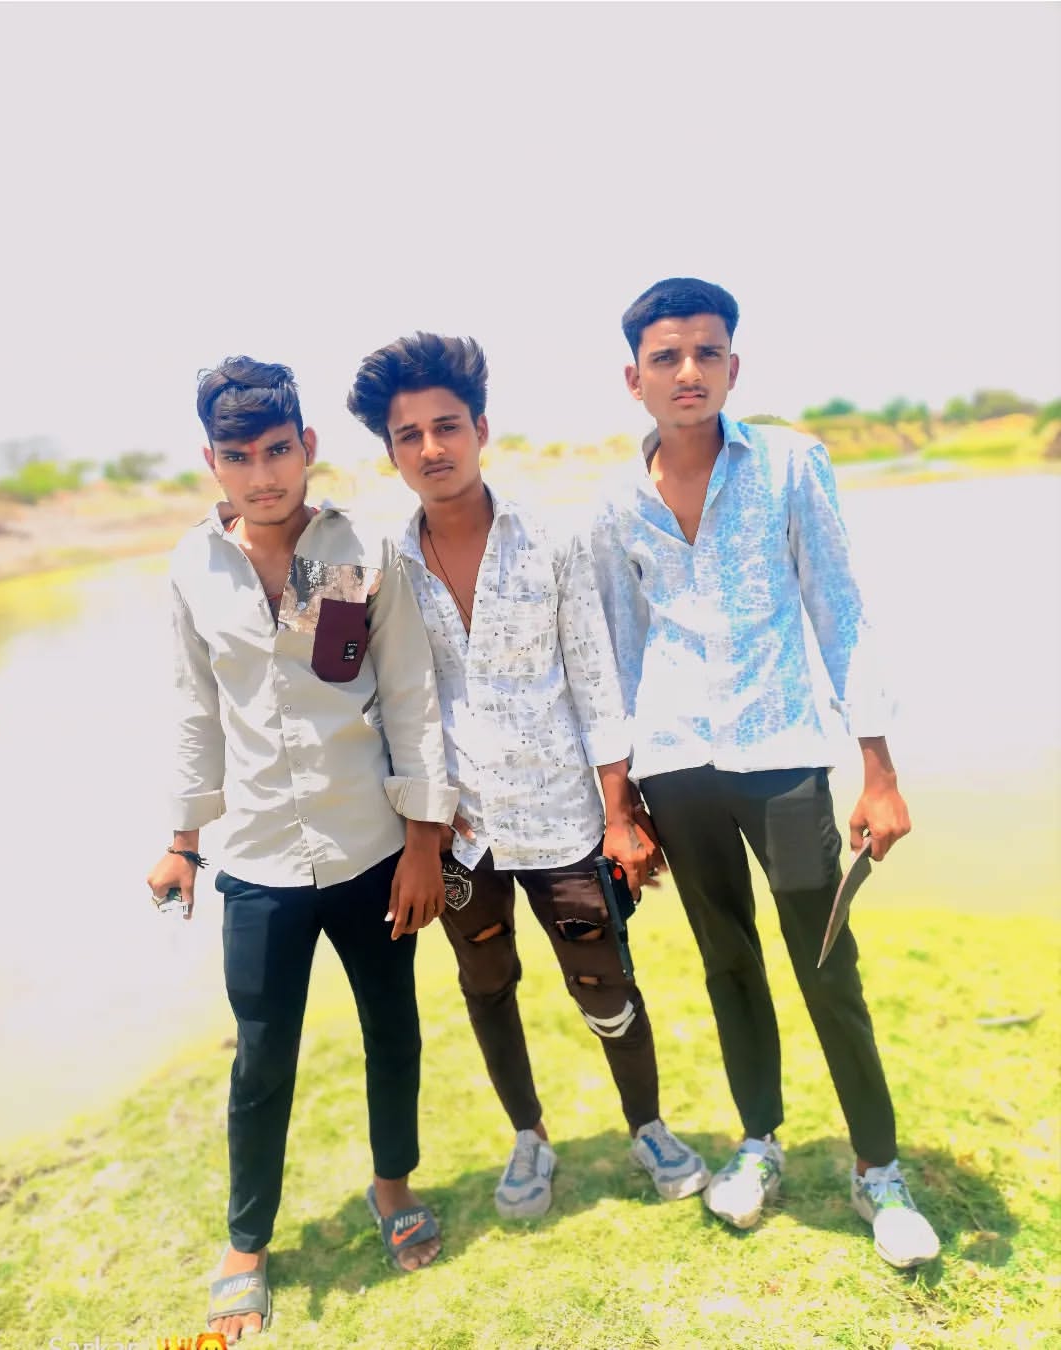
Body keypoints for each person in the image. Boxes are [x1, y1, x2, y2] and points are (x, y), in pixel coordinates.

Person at [589, 278, 940, 1269]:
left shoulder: (789, 463)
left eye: (706, 353)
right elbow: (617, 650)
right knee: (727, 962)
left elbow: (840, 608)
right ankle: (759, 1142)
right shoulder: (614, 502)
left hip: (782, 752)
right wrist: (620, 803)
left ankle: (878, 1170)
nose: (688, 371)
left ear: (733, 367)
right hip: (675, 763)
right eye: (666, 357)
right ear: (634, 379)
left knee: (826, 960)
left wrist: (879, 769)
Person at [346, 332, 709, 1219]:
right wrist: (272, 538)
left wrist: (620, 815)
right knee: (486, 985)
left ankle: (648, 1126)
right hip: (456, 830)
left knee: (604, 984)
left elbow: (595, 679)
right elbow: (326, 665)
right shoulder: (377, 559)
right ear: (391, 453)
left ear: (480, 429)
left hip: (562, 816)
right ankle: (528, 1136)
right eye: (408, 436)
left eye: (447, 427)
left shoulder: (553, 536)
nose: (431, 448)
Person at [145, 357, 458, 1341]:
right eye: (239, 458)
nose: (263, 474)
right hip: (259, 860)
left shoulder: (358, 550)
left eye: (278, 451)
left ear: (307, 447)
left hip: (371, 849)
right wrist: (183, 842)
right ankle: (247, 1244)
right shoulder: (194, 568)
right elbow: (194, 712)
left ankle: (392, 1186)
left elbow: (407, 694)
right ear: (213, 462)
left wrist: (423, 844)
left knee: (392, 1031)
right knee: (261, 1057)